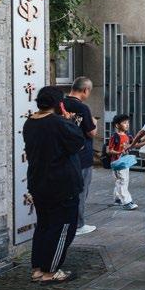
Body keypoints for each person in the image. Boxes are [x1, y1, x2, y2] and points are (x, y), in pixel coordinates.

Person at [24, 86, 85, 284]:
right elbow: (78, 143)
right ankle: (51, 271)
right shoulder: (58, 123)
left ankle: (37, 269)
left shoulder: (30, 122)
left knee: (44, 225)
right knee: (63, 228)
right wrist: (70, 122)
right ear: (59, 104)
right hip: (61, 184)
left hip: (39, 182)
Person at [62, 77, 97, 236]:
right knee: (80, 191)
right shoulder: (82, 107)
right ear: (85, 90)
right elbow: (91, 132)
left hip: (63, 155)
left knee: (65, 191)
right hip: (82, 156)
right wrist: (95, 122)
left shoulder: (61, 104)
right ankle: (78, 224)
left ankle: (65, 222)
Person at [108, 114, 137, 210]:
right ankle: (126, 202)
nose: (127, 124)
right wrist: (119, 152)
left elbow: (134, 144)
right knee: (122, 181)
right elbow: (109, 150)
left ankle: (118, 199)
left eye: (128, 122)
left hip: (125, 162)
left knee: (122, 181)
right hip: (117, 163)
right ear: (117, 125)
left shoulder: (128, 136)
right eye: (124, 123)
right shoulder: (115, 136)